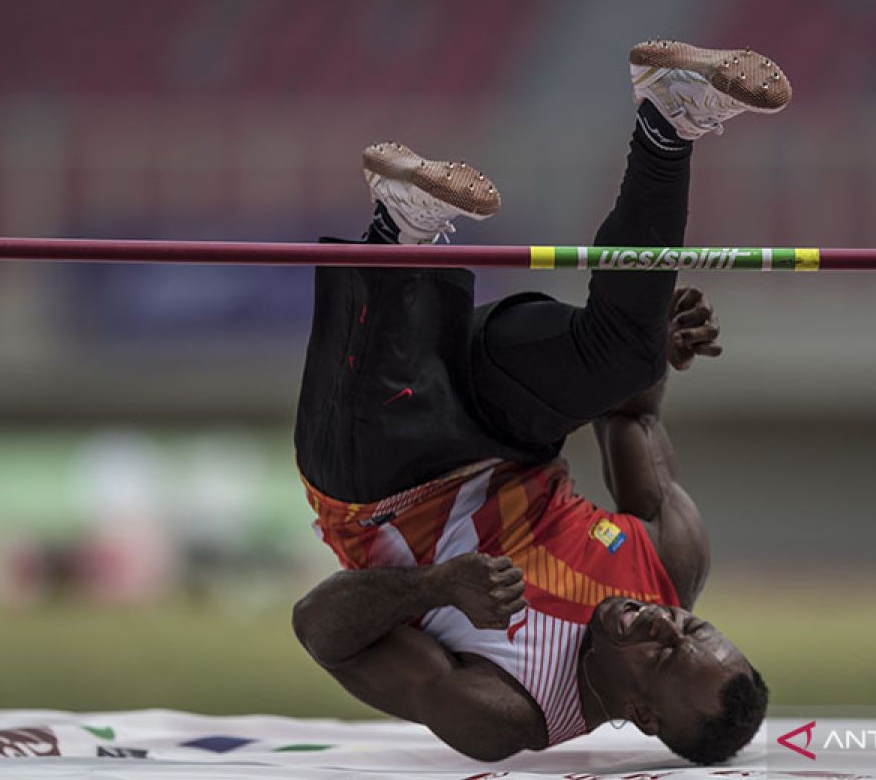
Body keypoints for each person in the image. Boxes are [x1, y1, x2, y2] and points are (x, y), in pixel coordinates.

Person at [291, 40, 790, 764]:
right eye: (689, 626)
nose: (660, 622)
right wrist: (657, 349)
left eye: (661, 654)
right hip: (507, 425)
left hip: (383, 485)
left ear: (642, 715)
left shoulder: (510, 712)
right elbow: (631, 412)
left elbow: (318, 630)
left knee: (385, 431)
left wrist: (436, 587)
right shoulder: (670, 566)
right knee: (626, 357)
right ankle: (668, 117)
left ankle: (400, 229)